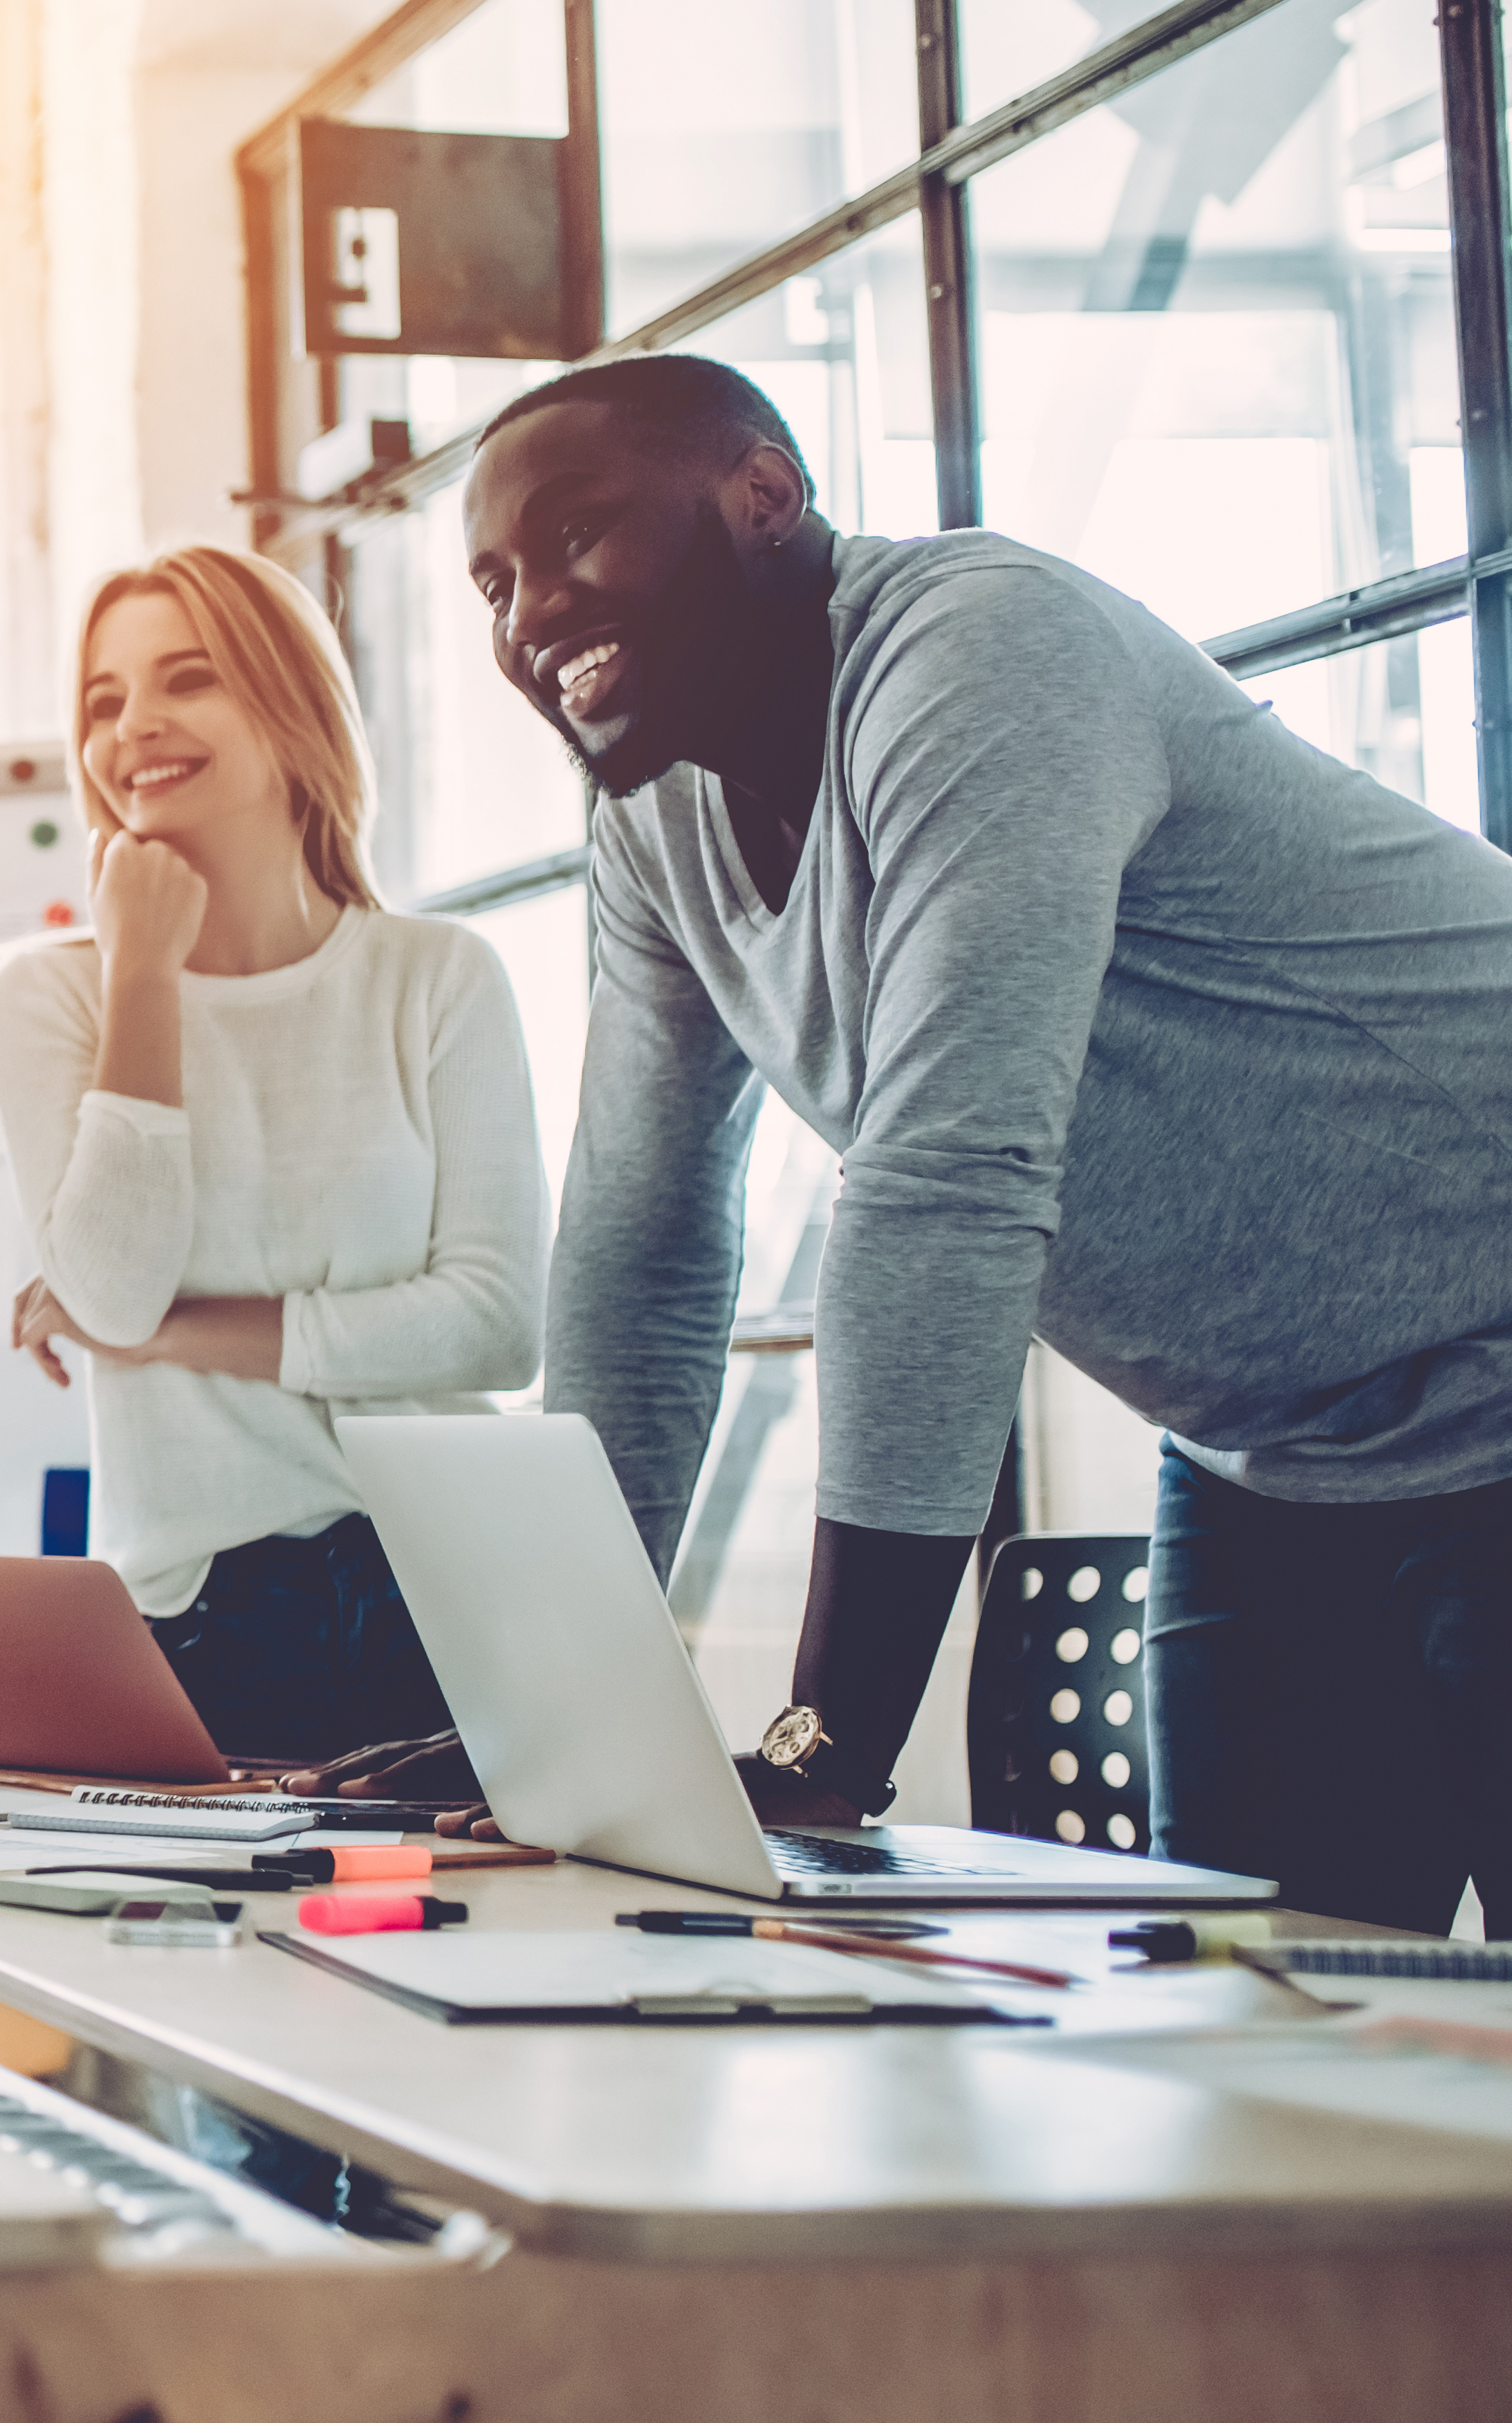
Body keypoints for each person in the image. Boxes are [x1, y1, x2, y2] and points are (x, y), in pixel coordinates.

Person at [464, 353, 1512, 1929]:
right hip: (1281, 1456)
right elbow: (643, 1241)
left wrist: (826, 1739)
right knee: (1261, 2054)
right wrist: (553, 1729)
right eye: (493, 581)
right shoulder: (649, 829)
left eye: (576, 539)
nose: (531, 614)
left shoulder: (978, 652)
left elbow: (949, 1170)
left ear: (762, 499)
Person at [0, 545, 545, 1770]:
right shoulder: (46, 999)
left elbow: (494, 1323)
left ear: (291, 707)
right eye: (102, 700)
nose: (136, 726)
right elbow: (115, 1284)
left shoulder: (433, 979)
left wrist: (167, 1333)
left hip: (446, 1592)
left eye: (189, 678)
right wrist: (139, 972)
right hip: (199, 1625)